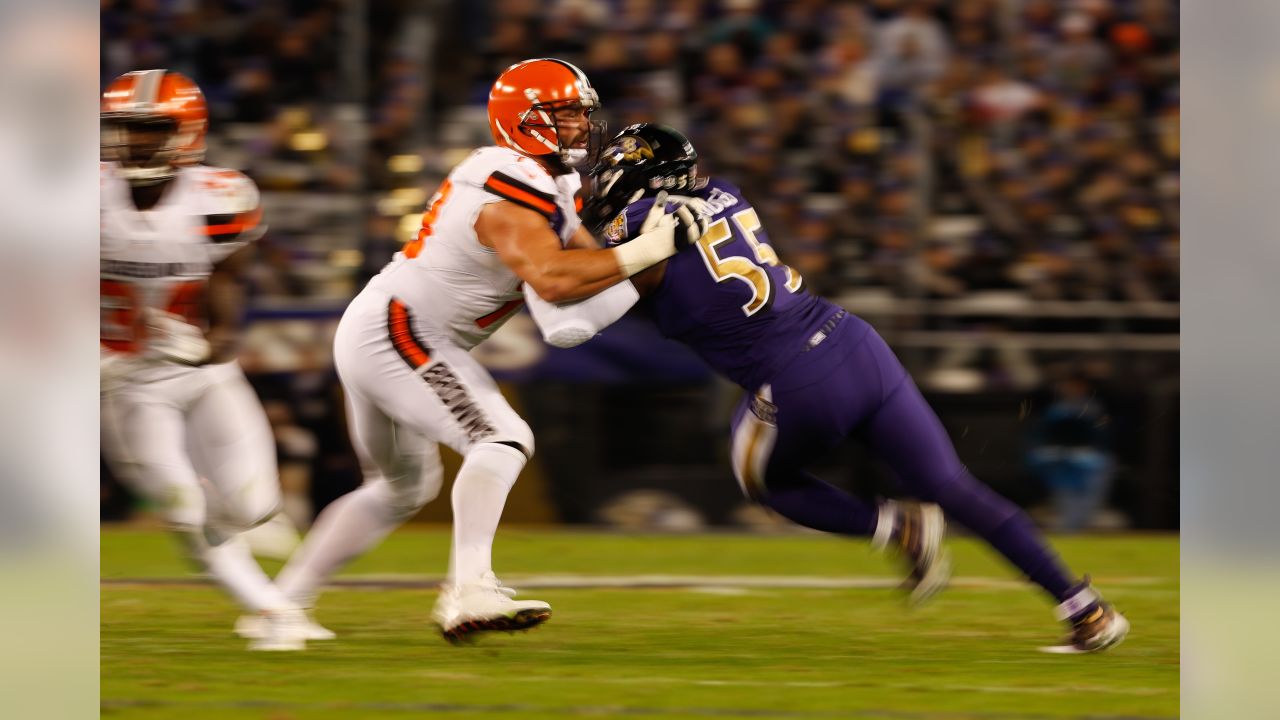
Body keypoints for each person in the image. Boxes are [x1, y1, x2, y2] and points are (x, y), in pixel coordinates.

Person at [529, 123, 1129, 653]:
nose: (604, 174)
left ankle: (894, 527)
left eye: (616, 166)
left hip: (795, 377)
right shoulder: (726, 191)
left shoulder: (636, 230)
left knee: (760, 478)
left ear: (639, 178)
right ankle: (1085, 609)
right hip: (854, 342)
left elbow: (577, 289)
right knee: (952, 485)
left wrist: (550, 220)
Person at [272, 59, 694, 643]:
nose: (580, 127)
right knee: (501, 438)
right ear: (524, 121)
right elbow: (554, 279)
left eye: (580, 113)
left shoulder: (553, 184)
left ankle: (280, 605)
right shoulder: (508, 175)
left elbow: (567, 321)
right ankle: (468, 589)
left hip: (390, 329)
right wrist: (652, 247)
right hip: (399, 330)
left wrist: (651, 254)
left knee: (401, 488)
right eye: (566, 114)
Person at [100, 69, 324, 651]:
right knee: (183, 506)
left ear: (186, 134)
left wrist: (203, 343)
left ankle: (248, 559)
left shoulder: (220, 199)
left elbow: (227, 317)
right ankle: (274, 613)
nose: (134, 143)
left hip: (201, 375)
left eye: (149, 130)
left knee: (253, 507)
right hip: (126, 386)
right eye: (126, 128)